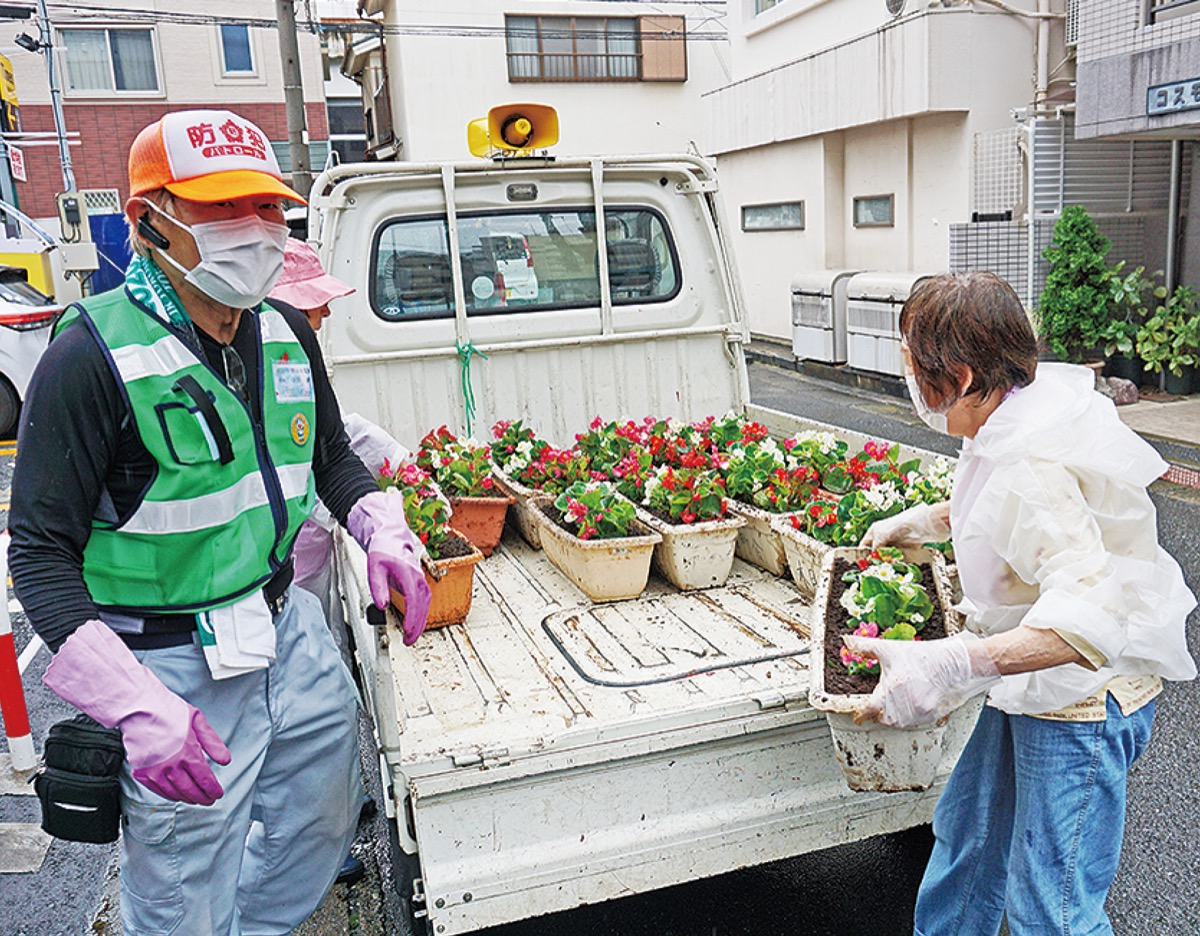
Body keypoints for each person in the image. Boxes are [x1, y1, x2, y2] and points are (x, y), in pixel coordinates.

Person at [9, 109, 431, 935]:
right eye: (223, 207)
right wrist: (133, 704)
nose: (259, 230)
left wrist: (377, 522)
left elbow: (329, 456)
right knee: (183, 880)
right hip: (166, 661)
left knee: (324, 816)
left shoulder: (283, 334)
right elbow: (39, 553)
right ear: (150, 221)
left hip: (286, 627)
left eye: (269, 207)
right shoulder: (89, 356)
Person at [848, 271, 1197, 936]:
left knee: (1053, 907)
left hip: (1083, 693)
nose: (909, 383)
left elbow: (1087, 617)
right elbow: (1010, 513)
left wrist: (953, 664)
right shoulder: (1014, 412)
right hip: (1036, 680)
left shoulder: (1028, 467)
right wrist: (928, 519)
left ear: (957, 373)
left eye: (911, 365)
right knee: (970, 837)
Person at [269, 238, 413, 614]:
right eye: (318, 304)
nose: (327, 314)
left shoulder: (292, 357)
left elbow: (333, 434)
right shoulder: (264, 364)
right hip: (279, 572)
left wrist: (398, 462)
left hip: (307, 560)